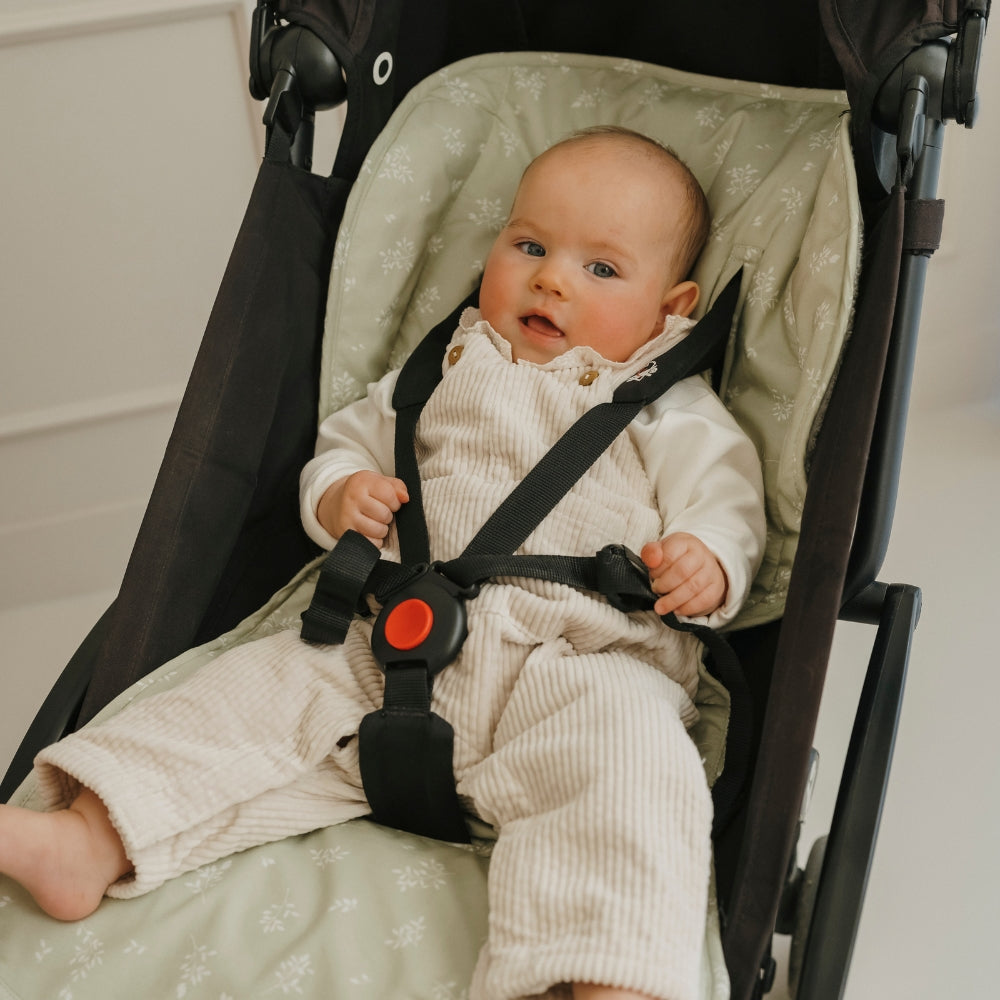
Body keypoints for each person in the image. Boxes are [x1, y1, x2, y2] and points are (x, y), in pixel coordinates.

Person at [0, 126, 765, 1000]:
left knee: (626, 771)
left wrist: (707, 562)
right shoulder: (445, 366)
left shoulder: (667, 405)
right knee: (247, 700)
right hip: (393, 644)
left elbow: (727, 504)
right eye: (529, 246)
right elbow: (347, 446)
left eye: (601, 269)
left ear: (674, 309)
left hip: (572, 666)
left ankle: (599, 979)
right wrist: (339, 495)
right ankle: (90, 838)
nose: (552, 277)